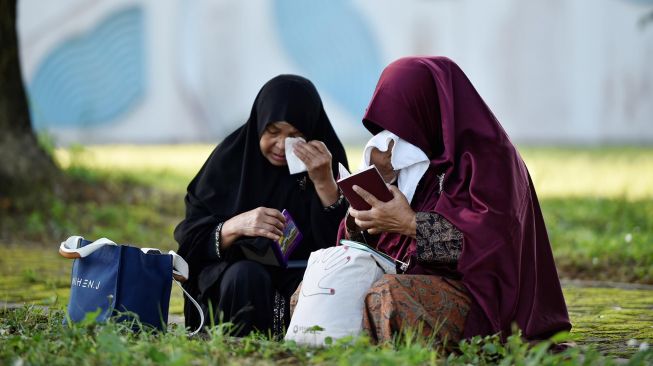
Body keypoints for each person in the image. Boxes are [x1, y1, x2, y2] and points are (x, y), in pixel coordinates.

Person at [339, 56, 571, 345]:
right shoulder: (404, 161)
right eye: (385, 128)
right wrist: (360, 216)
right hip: (406, 277)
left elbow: (491, 248)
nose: (392, 139)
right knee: (327, 292)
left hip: (483, 299)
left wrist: (411, 223)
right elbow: (372, 249)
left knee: (387, 296)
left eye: (401, 125)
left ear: (430, 111)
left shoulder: (489, 160)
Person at [174, 75, 349, 336]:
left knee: (319, 286)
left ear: (311, 133)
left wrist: (324, 183)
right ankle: (240, 347)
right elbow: (189, 240)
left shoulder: (325, 163)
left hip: (304, 276)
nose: (280, 145)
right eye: (273, 131)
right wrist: (233, 227)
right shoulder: (231, 161)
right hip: (235, 277)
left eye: (295, 136)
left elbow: (344, 247)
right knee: (245, 276)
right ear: (259, 123)